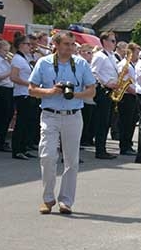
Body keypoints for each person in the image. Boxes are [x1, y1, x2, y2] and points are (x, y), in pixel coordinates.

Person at [28, 31, 96, 214]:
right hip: (49, 115)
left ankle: (66, 201)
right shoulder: (44, 63)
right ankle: (48, 198)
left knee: (72, 160)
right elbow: (31, 89)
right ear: (56, 45)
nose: (71, 48)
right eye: (67, 44)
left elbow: (92, 91)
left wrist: (75, 95)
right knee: (48, 156)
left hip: (73, 115)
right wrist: (50, 92)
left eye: (72, 44)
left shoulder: (81, 63)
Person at [89, 31, 120, 159]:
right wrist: (106, 83)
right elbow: (93, 73)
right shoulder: (99, 56)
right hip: (103, 91)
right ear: (104, 42)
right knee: (102, 121)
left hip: (111, 90)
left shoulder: (112, 56)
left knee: (107, 121)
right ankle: (100, 150)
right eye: (112, 41)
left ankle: (103, 148)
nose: (114, 43)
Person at [10, 35, 38, 160]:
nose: (30, 46)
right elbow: (14, 77)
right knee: (21, 122)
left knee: (28, 122)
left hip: (29, 93)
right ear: (21, 45)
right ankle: (17, 150)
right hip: (22, 94)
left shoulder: (25, 58)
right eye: (27, 44)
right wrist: (30, 84)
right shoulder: (17, 58)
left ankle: (24, 147)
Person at [116, 43, 139, 156]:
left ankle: (128, 144)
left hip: (132, 96)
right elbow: (123, 82)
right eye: (136, 53)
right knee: (126, 122)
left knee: (131, 122)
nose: (138, 55)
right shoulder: (124, 64)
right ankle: (124, 146)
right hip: (127, 96)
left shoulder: (131, 64)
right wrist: (135, 92)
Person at [0, 39, 14, 152]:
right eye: (5, 50)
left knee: (8, 115)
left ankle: (2, 140)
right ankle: (0, 141)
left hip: (10, 89)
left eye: (8, 50)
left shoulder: (6, 60)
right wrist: (11, 71)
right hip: (1, 89)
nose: (7, 53)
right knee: (2, 116)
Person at [78, 44, 96, 147]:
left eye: (91, 52)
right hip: (82, 95)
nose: (91, 55)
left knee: (88, 119)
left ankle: (85, 139)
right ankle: (82, 140)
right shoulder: (82, 63)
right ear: (81, 52)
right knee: (84, 119)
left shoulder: (87, 63)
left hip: (87, 95)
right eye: (88, 52)